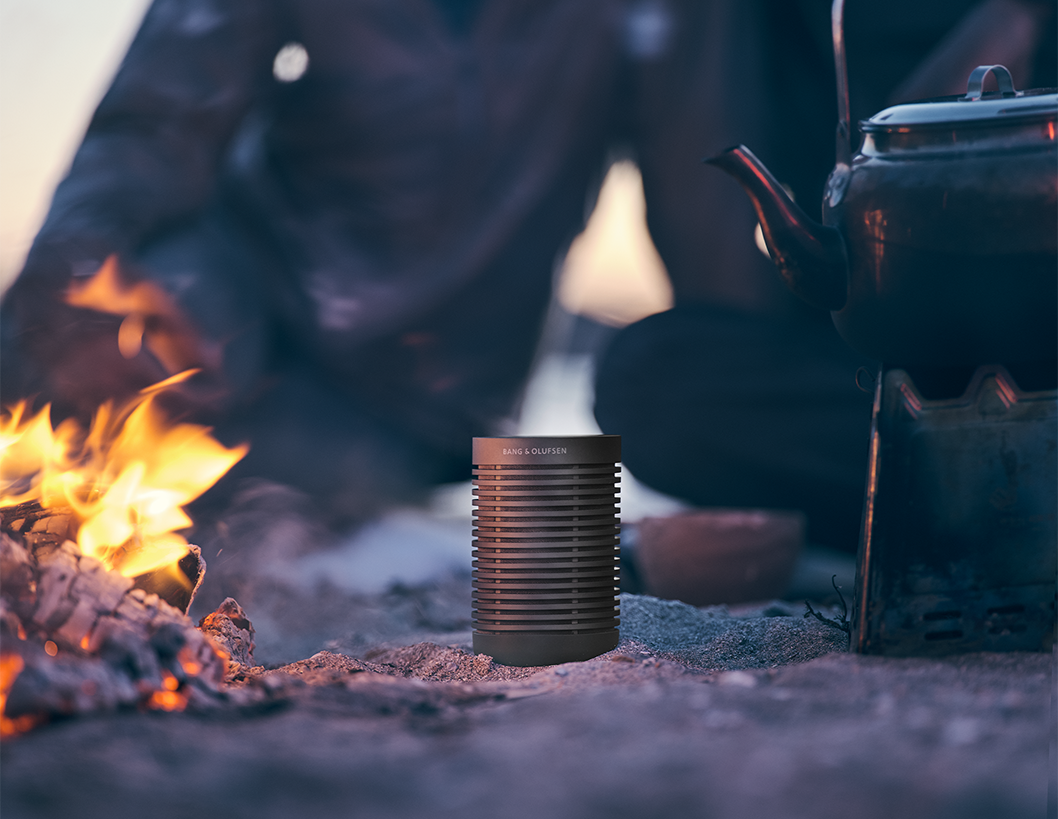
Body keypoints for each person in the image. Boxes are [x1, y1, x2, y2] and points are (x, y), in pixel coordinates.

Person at [3, 0, 1053, 544]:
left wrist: (744, 403)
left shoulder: (652, 12)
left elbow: (704, 216)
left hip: (417, 393)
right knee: (155, 322)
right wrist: (55, 297)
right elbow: (150, 130)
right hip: (245, 303)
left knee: (648, 388)